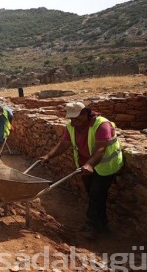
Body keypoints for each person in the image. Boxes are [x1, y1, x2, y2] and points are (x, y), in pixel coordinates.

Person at [39, 101, 124, 240]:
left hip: (105, 166)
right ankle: (101, 225)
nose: (74, 121)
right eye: (71, 118)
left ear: (85, 113)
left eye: (77, 118)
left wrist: (90, 164)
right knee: (93, 195)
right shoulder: (72, 126)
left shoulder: (102, 125)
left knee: (96, 194)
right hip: (85, 165)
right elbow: (64, 144)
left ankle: (92, 226)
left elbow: (101, 148)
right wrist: (49, 156)